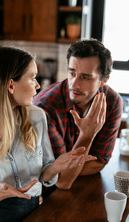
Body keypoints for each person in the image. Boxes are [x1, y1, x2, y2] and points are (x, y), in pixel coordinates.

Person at [0, 46, 97, 222]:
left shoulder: (37, 117)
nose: (38, 85)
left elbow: (44, 173)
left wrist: (56, 167)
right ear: (11, 85)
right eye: (32, 78)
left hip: (33, 216)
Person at [34, 39, 123, 190]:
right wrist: (87, 134)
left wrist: (67, 169)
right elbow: (61, 181)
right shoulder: (45, 109)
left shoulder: (112, 102)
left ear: (104, 80)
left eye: (86, 77)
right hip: (46, 195)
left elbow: (99, 162)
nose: (74, 84)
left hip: (87, 187)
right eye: (72, 73)